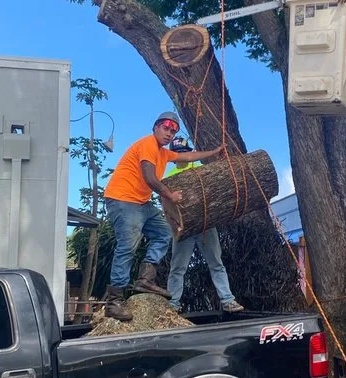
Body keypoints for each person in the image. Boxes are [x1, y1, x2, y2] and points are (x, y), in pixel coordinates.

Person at [103, 111, 224, 321]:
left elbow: (188, 156)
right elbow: (150, 178)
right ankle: (114, 302)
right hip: (122, 200)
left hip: (141, 203)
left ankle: (145, 279)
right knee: (127, 247)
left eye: (173, 130)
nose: (169, 133)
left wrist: (213, 152)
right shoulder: (148, 144)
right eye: (166, 128)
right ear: (155, 128)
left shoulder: (163, 153)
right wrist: (170, 195)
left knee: (163, 232)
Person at [165, 137, 244, 314]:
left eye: (185, 153)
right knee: (177, 267)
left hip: (205, 225)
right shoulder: (168, 178)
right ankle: (173, 304)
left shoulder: (200, 169)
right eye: (178, 153)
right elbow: (167, 207)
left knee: (216, 262)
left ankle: (227, 300)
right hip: (182, 228)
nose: (182, 156)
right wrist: (174, 226)